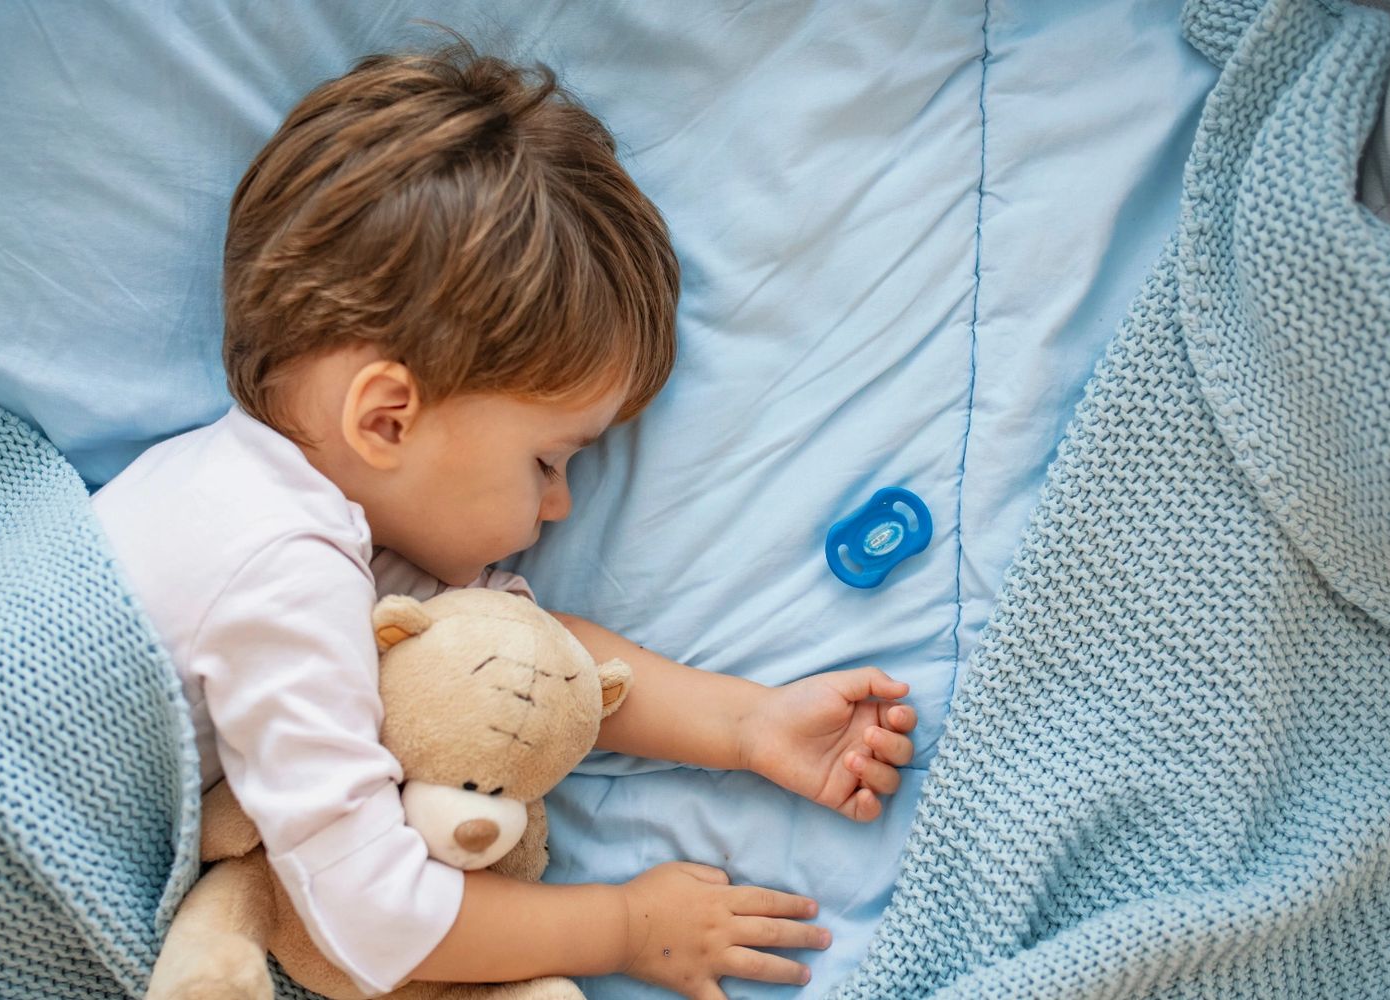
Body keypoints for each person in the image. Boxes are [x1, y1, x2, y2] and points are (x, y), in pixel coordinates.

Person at [94, 40, 917, 1000]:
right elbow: (371, 915)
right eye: (547, 461)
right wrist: (623, 928)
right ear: (387, 418)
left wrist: (750, 724)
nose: (558, 506)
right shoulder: (279, 567)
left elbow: (523, 660)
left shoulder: (274, 503)